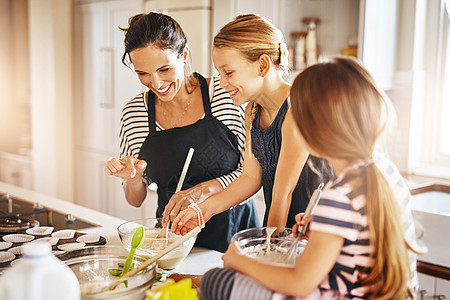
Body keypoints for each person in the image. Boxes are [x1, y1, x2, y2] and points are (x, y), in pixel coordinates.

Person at [200, 57, 422, 299]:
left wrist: (237, 260)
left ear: (315, 126)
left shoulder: (338, 196)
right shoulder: (385, 170)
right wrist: (322, 227)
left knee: (215, 280)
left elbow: (299, 284)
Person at [104, 12, 259, 253]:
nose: (156, 83)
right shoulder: (135, 114)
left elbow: (250, 174)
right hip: (172, 244)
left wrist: (200, 192)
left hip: (235, 238)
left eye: (164, 69)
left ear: (184, 55)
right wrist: (133, 176)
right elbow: (135, 200)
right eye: (142, 73)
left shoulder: (226, 95)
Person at [171, 14, 331, 236]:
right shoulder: (253, 110)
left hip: (315, 233)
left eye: (228, 72)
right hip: (282, 228)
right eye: (219, 73)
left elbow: (283, 194)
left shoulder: (299, 108)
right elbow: (250, 178)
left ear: (262, 65)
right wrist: (202, 210)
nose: (222, 82)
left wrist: (269, 250)